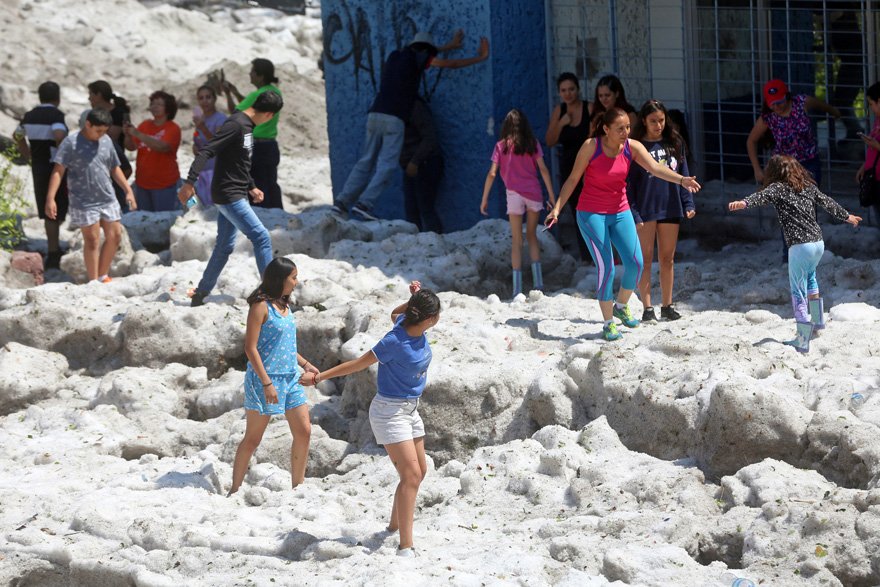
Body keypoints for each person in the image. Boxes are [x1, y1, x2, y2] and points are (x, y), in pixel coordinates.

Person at [301, 281, 439, 557]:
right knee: (411, 476)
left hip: (410, 409)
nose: (437, 320)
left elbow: (394, 314)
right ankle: (405, 546)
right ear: (426, 319)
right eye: (435, 315)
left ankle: (393, 525)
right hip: (389, 412)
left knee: (419, 473)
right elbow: (356, 363)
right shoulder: (394, 341)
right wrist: (318, 377)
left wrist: (411, 298)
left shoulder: (404, 323)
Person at [545, 108, 701, 341]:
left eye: (628, 127)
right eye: (620, 128)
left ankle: (621, 305)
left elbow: (656, 168)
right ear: (606, 129)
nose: (625, 132)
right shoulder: (591, 146)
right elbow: (572, 179)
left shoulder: (632, 147)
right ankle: (608, 323)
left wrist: (682, 180)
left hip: (620, 210)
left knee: (636, 263)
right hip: (591, 214)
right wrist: (557, 209)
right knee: (606, 268)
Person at [332, 30, 490, 221]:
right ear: (427, 51)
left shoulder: (395, 57)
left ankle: (341, 203)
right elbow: (451, 64)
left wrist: (448, 46)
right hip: (394, 118)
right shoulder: (421, 58)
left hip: (374, 115)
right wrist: (480, 57)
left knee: (365, 161)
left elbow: (425, 50)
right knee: (387, 165)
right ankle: (364, 204)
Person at [728, 155, 861, 353]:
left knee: (797, 290)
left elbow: (759, 197)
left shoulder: (777, 188)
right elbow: (828, 202)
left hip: (800, 246)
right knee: (811, 279)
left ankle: (802, 339)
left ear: (773, 172)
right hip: (818, 243)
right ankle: (817, 322)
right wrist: (847, 216)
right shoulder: (807, 186)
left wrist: (743, 203)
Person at [178, 90, 284, 307]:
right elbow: (206, 151)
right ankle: (272, 295)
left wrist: (252, 186)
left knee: (224, 246)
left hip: (236, 191)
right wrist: (189, 182)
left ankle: (200, 293)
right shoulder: (235, 124)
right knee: (262, 237)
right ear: (270, 115)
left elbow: (239, 161)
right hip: (229, 194)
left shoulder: (247, 126)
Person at [228, 257, 318, 495]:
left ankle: (298, 487)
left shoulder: (285, 306)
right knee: (253, 439)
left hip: (290, 378)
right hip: (265, 380)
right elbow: (251, 348)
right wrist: (267, 383)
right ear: (281, 279)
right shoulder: (260, 306)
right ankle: (234, 489)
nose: (296, 282)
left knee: (304, 431)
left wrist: (306, 364)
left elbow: (285, 345)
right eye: (293, 277)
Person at [45, 109, 137, 283]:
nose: (101, 135)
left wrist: (128, 190)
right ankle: (94, 280)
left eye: (104, 131)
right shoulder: (70, 143)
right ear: (88, 124)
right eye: (98, 130)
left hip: (107, 197)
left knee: (115, 235)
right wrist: (50, 198)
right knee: (92, 240)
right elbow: (58, 171)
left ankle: (103, 275)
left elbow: (114, 168)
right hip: (83, 200)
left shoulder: (106, 140)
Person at [627, 99, 696, 322]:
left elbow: (684, 175)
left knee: (668, 258)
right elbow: (629, 185)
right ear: (644, 122)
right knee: (645, 259)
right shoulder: (637, 146)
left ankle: (667, 305)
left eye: (661, 120)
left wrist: (688, 203)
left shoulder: (675, 142)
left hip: (670, 206)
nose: (658, 125)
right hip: (645, 209)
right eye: (653, 121)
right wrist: (634, 213)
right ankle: (647, 308)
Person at [481, 109, 555, 297]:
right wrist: (552, 196)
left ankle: (517, 289)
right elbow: (544, 170)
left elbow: (492, 173)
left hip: (513, 194)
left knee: (516, 239)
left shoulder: (500, 146)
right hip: (533, 193)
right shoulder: (532, 144)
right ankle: (538, 284)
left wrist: (484, 199)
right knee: (531, 235)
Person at [14, 81, 69, 269]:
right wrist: (60, 153)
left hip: (37, 166)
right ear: (57, 98)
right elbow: (59, 134)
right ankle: (54, 251)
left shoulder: (29, 115)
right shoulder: (55, 114)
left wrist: (28, 155)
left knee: (48, 211)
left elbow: (17, 135)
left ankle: (52, 247)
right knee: (55, 208)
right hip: (54, 167)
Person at [746, 79, 841, 187]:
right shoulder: (767, 118)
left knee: (807, 199)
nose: (776, 107)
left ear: (786, 96)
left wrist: (834, 112)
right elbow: (751, 141)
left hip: (809, 162)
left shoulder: (801, 103)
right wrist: (757, 169)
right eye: (772, 104)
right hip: (783, 166)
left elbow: (823, 106)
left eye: (779, 102)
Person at [221, 58, 283, 209]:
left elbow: (235, 113)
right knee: (270, 182)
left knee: (255, 185)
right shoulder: (275, 92)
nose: (250, 74)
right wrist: (236, 92)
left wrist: (228, 94)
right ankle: (277, 214)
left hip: (256, 146)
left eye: (252, 71)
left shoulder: (256, 95)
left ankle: (262, 217)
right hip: (271, 146)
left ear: (260, 76)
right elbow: (254, 106)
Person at [545, 72, 592, 260]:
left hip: (589, 167)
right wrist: (561, 123)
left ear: (578, 89)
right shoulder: (560, 111)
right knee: (578, 211)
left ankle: (602, 254)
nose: (568, 94)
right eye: (564, 90)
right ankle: (586, 257)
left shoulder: (589, 108)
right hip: (569, 169)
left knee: (594, 211)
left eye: (571, 89)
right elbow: (549, 140)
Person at [124, 90, 182, 212]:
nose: (154, 107)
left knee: (162, 220)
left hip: (164, 184)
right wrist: (128, 135)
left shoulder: (173, 128)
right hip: (143, 183)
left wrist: (137, 134)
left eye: (159, 104)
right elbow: (131, 147)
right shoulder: (145, 125)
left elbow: (162, 147)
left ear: (168, 108)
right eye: (153, 104)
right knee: (146, 221)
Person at [81, 80, 133, 213]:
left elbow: (112, 136)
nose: (89, 98)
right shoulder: (93, 113)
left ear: (99, 95)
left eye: (91, 94)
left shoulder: (118, 113)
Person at [399, 96, 443, 233]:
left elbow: (430, 138)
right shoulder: (395, 108)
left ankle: (435, 244)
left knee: (425, 207)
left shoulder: (414, 106)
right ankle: (416, 247)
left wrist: (415, 161)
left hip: (425, 163)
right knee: (412, 209)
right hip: (410, 165)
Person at [191, 85, 228, 206]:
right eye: (201, 98)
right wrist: (195, 148)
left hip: (217, 169)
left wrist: (203, 128)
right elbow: (198, 139)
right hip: (203, 169)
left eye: (208, 97)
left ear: (214, 99)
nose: (205, 101)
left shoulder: (221, 119)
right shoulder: (200, 119)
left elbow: (218, 143)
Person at [855, 82, 880, 220]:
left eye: (871, 104)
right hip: (874, 178)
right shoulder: (877, 120)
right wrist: (864, 167)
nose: (870, 108)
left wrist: (876, 145)